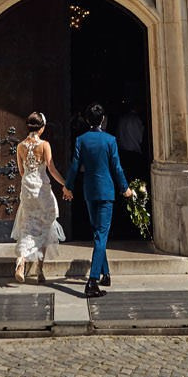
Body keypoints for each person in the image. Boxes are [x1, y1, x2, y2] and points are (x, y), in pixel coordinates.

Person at [65, 101, 134, 298]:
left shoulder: (81, 140)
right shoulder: (110, 140)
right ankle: (92, 281)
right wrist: (125, 188)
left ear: (87, 120)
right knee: (101, 235)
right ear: (103, 120)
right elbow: (117, 167)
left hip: (89, 191)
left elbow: (74, 166)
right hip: (106, 191)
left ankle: (106, 274)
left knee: (97, 232)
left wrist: (67, 186)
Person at [11, 111, 72, 284]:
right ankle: (39, 270)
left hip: (27, 189)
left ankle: (21, 261)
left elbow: (22, 171)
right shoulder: (44, 145)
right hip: (42, 189)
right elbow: (51, 169)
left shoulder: (20, 146)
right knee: (46, 225)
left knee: (27, 224)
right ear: (42, 128)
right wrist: (65, 184)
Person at [116, 97, 146, 185]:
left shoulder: (122, 119)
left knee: (126, 179)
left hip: (123, 152)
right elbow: (140, 137)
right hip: (134, 154)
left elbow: (118, 136)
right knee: (135, 180)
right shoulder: (136, 120)